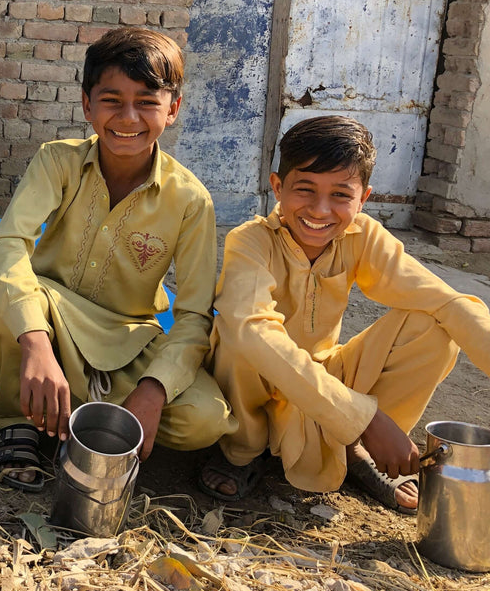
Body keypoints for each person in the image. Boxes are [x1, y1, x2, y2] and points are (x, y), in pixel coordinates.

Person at [0, 27, 237, 491]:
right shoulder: (57, 161)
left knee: (206, 418)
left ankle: (74, 419)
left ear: (173, 109)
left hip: (128, 342)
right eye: (112, 100)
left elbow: (195, 316)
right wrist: (36, 342)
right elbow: (7, 245)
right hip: (53, 319)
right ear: (87, 104)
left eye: (147, 102)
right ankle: (19, 420)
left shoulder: (191, 200)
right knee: (14, 302)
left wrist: (154, 390)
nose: (128, 117)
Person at [200, 116, 490, 513]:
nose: (320, 210)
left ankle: (350, 448)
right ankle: (242, 451)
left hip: (324, 379)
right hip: (257, 389)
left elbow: (445, 301)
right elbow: (251, 330)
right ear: (278, 187)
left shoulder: (362, 237)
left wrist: (359, 420)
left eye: (340, 194)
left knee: (433, 325)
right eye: (305, 189)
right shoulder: (251, 241)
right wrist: (365, 418)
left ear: (363, 198)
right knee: (241, 334)